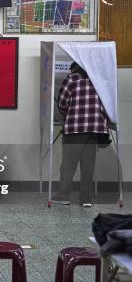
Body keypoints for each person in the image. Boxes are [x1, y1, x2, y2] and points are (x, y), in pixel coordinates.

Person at [53, 62, 109, 207]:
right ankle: (86, 200)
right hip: (94, 129)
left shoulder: (71, 79)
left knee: (68, 165)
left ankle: (64, 196)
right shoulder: (98, 79)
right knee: (88, 166)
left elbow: (62, 103)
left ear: (75, 67)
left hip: (74, 128)